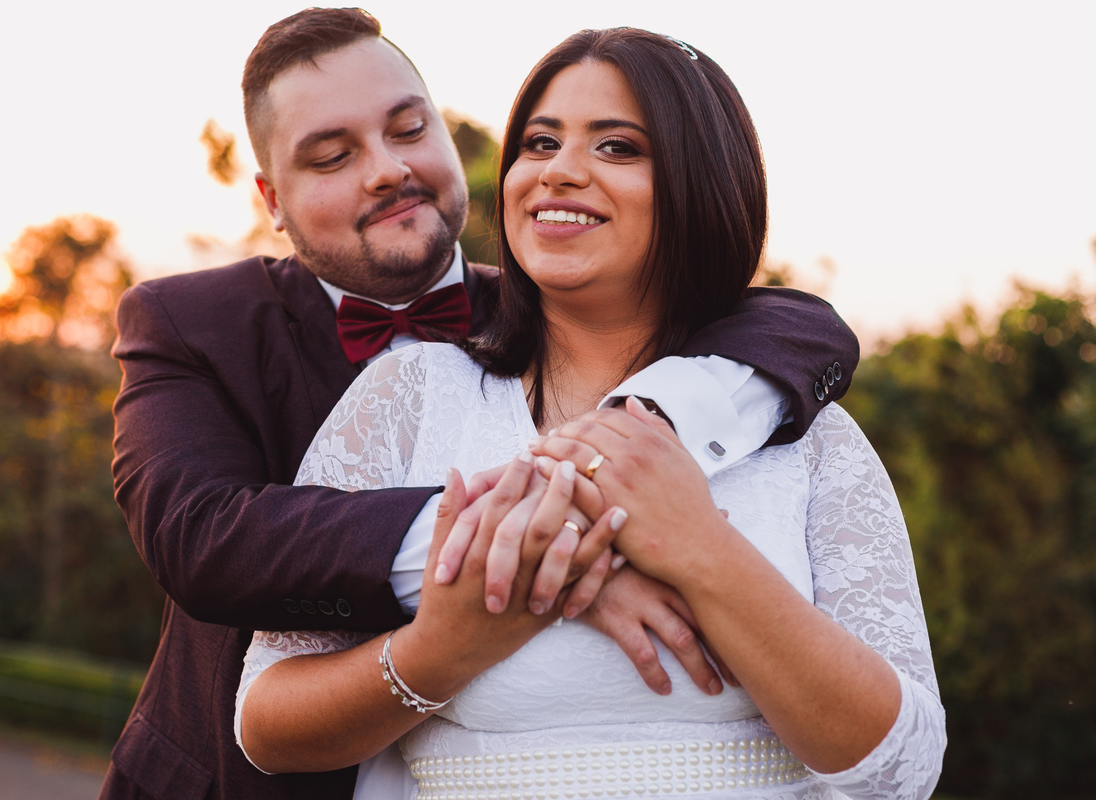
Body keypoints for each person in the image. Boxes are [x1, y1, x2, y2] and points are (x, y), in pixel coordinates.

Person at [104, 9, 860, 800]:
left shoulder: (556, 305)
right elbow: (202, 535)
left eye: (409, 129)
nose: (386, 170)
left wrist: (648, 427)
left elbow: (803, 328)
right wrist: (541, 548)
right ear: (272, 199)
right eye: (331, 156)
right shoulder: (187, 321)